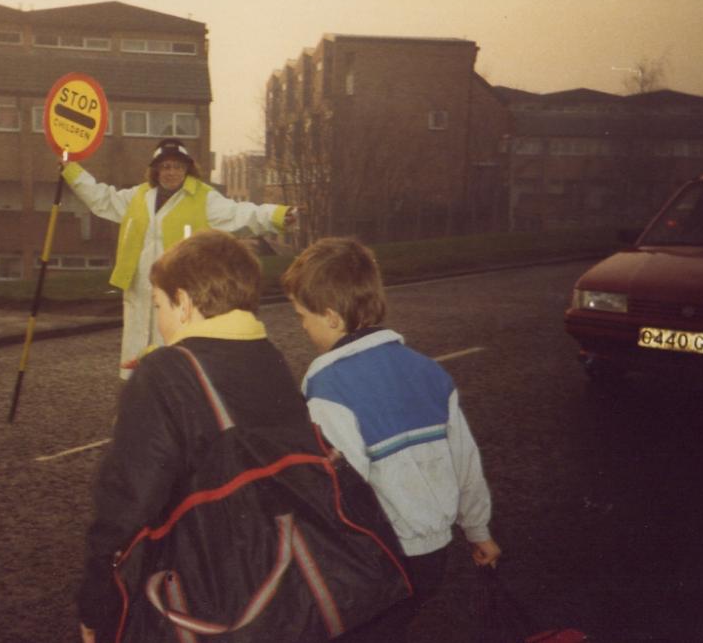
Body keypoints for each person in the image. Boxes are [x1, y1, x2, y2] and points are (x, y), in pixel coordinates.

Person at [77, 231, 408, 643]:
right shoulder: (267, 356)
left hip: (216, 594)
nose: (158, 321)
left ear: (183, 303)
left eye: (159, 305)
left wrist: (96, 603)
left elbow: (125, 503)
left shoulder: (164, 373)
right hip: (290, 585)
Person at [281, 237, 502, 641]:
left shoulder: (329, 387)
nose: (302, 326)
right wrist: (478, 530)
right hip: (434, 557)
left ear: (330, 317)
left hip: (380, 558)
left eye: (302, 316)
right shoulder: (428, 371)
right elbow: (465, 461)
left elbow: (335, 491)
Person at [61, 138, 296, 379]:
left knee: (176, 355)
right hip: (140, 291)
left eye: (177, 166)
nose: (171, 172)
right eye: (165, 166)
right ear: (156, 170)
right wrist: (71, 170)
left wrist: (276, 215)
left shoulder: (204, 198)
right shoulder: (139, 197)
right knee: (136, 358)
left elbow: (239, 214)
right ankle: (136, 397)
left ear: (187, 169)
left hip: (180, 291)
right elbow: (102, 199)